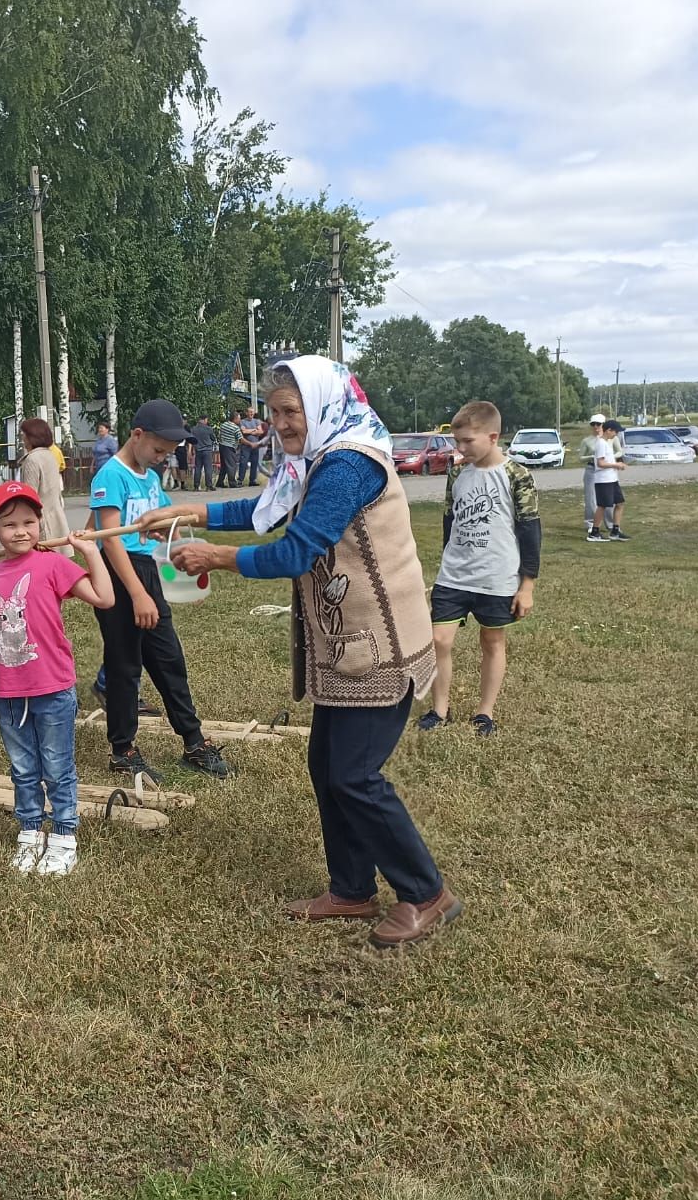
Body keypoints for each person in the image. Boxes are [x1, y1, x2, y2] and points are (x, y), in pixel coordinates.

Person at [148, 356, 460, 950]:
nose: (282, 424)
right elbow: (269, 508)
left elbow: (294, 550)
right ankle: (351, 889)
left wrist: (217, 556)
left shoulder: (347, 464)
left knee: (354, 774)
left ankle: (426, 892)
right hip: (349, 644)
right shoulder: (315, 460)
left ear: (321, 405)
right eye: (273, 412)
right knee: (327, 766)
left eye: (292, 411)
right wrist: (191, 510)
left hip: (380, 643)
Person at [0, 482, 114, 875]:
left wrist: (89, 552)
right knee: (23, 767)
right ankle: (30, 832)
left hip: (53, 687)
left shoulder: (52, 564)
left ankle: (64, 836)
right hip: (8, 691)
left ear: (40, 522)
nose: (21, 531)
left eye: (29, 522)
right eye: (10, 524)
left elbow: (104, 598)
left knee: (57, 765)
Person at [88, 398, 228, 784]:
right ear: (137, 435)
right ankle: (123, 750)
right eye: (158, 450)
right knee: (124, 667)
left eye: (168, 453)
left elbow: (168, 523)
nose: (162, 459)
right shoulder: (110, 476)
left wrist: (181, 549)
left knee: (169, 661)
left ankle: (194, 742)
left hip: (148, 572)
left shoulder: (149, 477)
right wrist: (137, 594)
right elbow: (112, 542)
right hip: (121, 579)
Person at [416, 401, 540, 738]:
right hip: (454, 576)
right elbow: (449, 519)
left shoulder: (516, 475)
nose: (460, 448)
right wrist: (446, 562)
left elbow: (530, 528)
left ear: (493, 436)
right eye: (458, 441)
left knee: (492, 641)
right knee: (439, 640)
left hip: (496, 577)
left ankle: (484, 713)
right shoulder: (457, 473)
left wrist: (526, 585)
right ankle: (440, 710)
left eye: (468, 441)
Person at [17, 417, 70, 547]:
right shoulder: (50, 455)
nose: (23, 438)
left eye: (24, 434)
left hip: (41, 522)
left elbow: (30, 497)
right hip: (56, 518)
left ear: (32, 436)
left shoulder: (32, 460)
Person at [590, 420, 629, 542]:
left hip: (612, 479)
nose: (616, 434)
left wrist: (617, 465)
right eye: (615, 431)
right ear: (608, 430)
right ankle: (594, 533)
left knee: (620, 503)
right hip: (603, 480)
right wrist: (616, 465)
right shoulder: (601, 443)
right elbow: (600, 463)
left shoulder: (607, 443)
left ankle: (615, 531)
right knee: (602, 505)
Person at [579, 414, 605, 534]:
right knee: (591, 498)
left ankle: (610, 524)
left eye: (598, 424)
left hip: (606, 470)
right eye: (593, 424)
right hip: (591, 469)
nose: (595, 426)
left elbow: (618, 451)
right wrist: (592, 456)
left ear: (603, 425)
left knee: (607, 497)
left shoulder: (608, 438)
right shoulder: (587, 440)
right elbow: (580, 458)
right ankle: (590, 523)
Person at [238, 408, 269, 485]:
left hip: (255, 446)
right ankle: (240, 480)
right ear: (246, 413)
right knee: (243, 463)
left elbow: (261, 432)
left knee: (254, 463)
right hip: (245, 446)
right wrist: (255, 430)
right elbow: (243, 431)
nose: (252, 413)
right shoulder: (242, 421)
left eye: (253, 412)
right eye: (250, 412)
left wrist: (249, 431)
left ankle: (252, 480)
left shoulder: (257, 421)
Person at [189, 416, 216, 491]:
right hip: (207, 450)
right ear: (204, 420)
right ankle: (208, 486)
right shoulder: (209, 429)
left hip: (198, 450)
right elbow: (213, 438)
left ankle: (196, 486)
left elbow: (192, 440)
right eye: (207, 420)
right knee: (208, 468)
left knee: (198, 468)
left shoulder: (193, 429)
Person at [216, 410, 242, 487]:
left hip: (222, 446)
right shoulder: (235, 428)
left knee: (224, 465)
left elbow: (219, 435)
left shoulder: (223, 425)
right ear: (235, 418)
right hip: (230, 447)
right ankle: (232, 483)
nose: (240, 420)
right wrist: (250, 443)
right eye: (239, 418)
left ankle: (220, 482)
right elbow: (241, 438)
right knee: (231, 465)